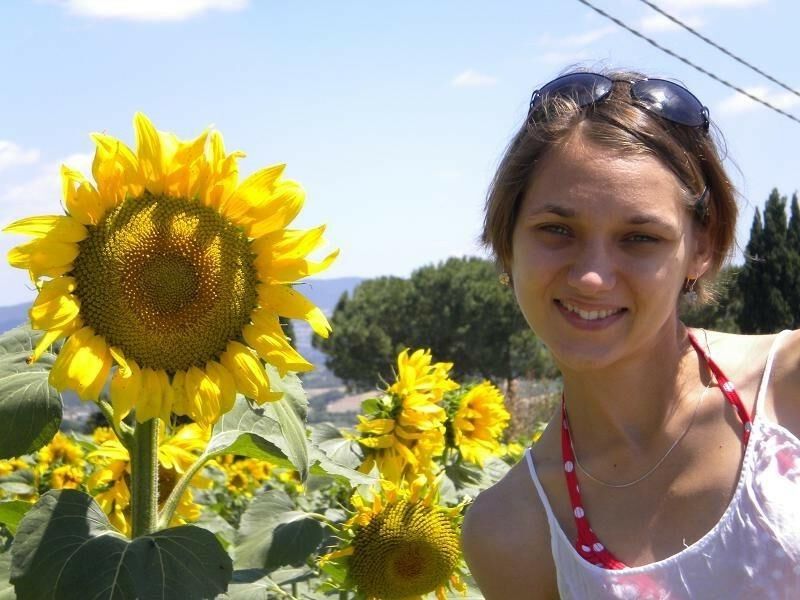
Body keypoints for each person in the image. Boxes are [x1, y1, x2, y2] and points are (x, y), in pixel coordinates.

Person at [460, 68, 800, 599]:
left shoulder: (788, 388)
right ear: (508, 239)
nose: (592, 276)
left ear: (701, 249)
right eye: (557, 230)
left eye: (640, 237)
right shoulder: (512, 528)